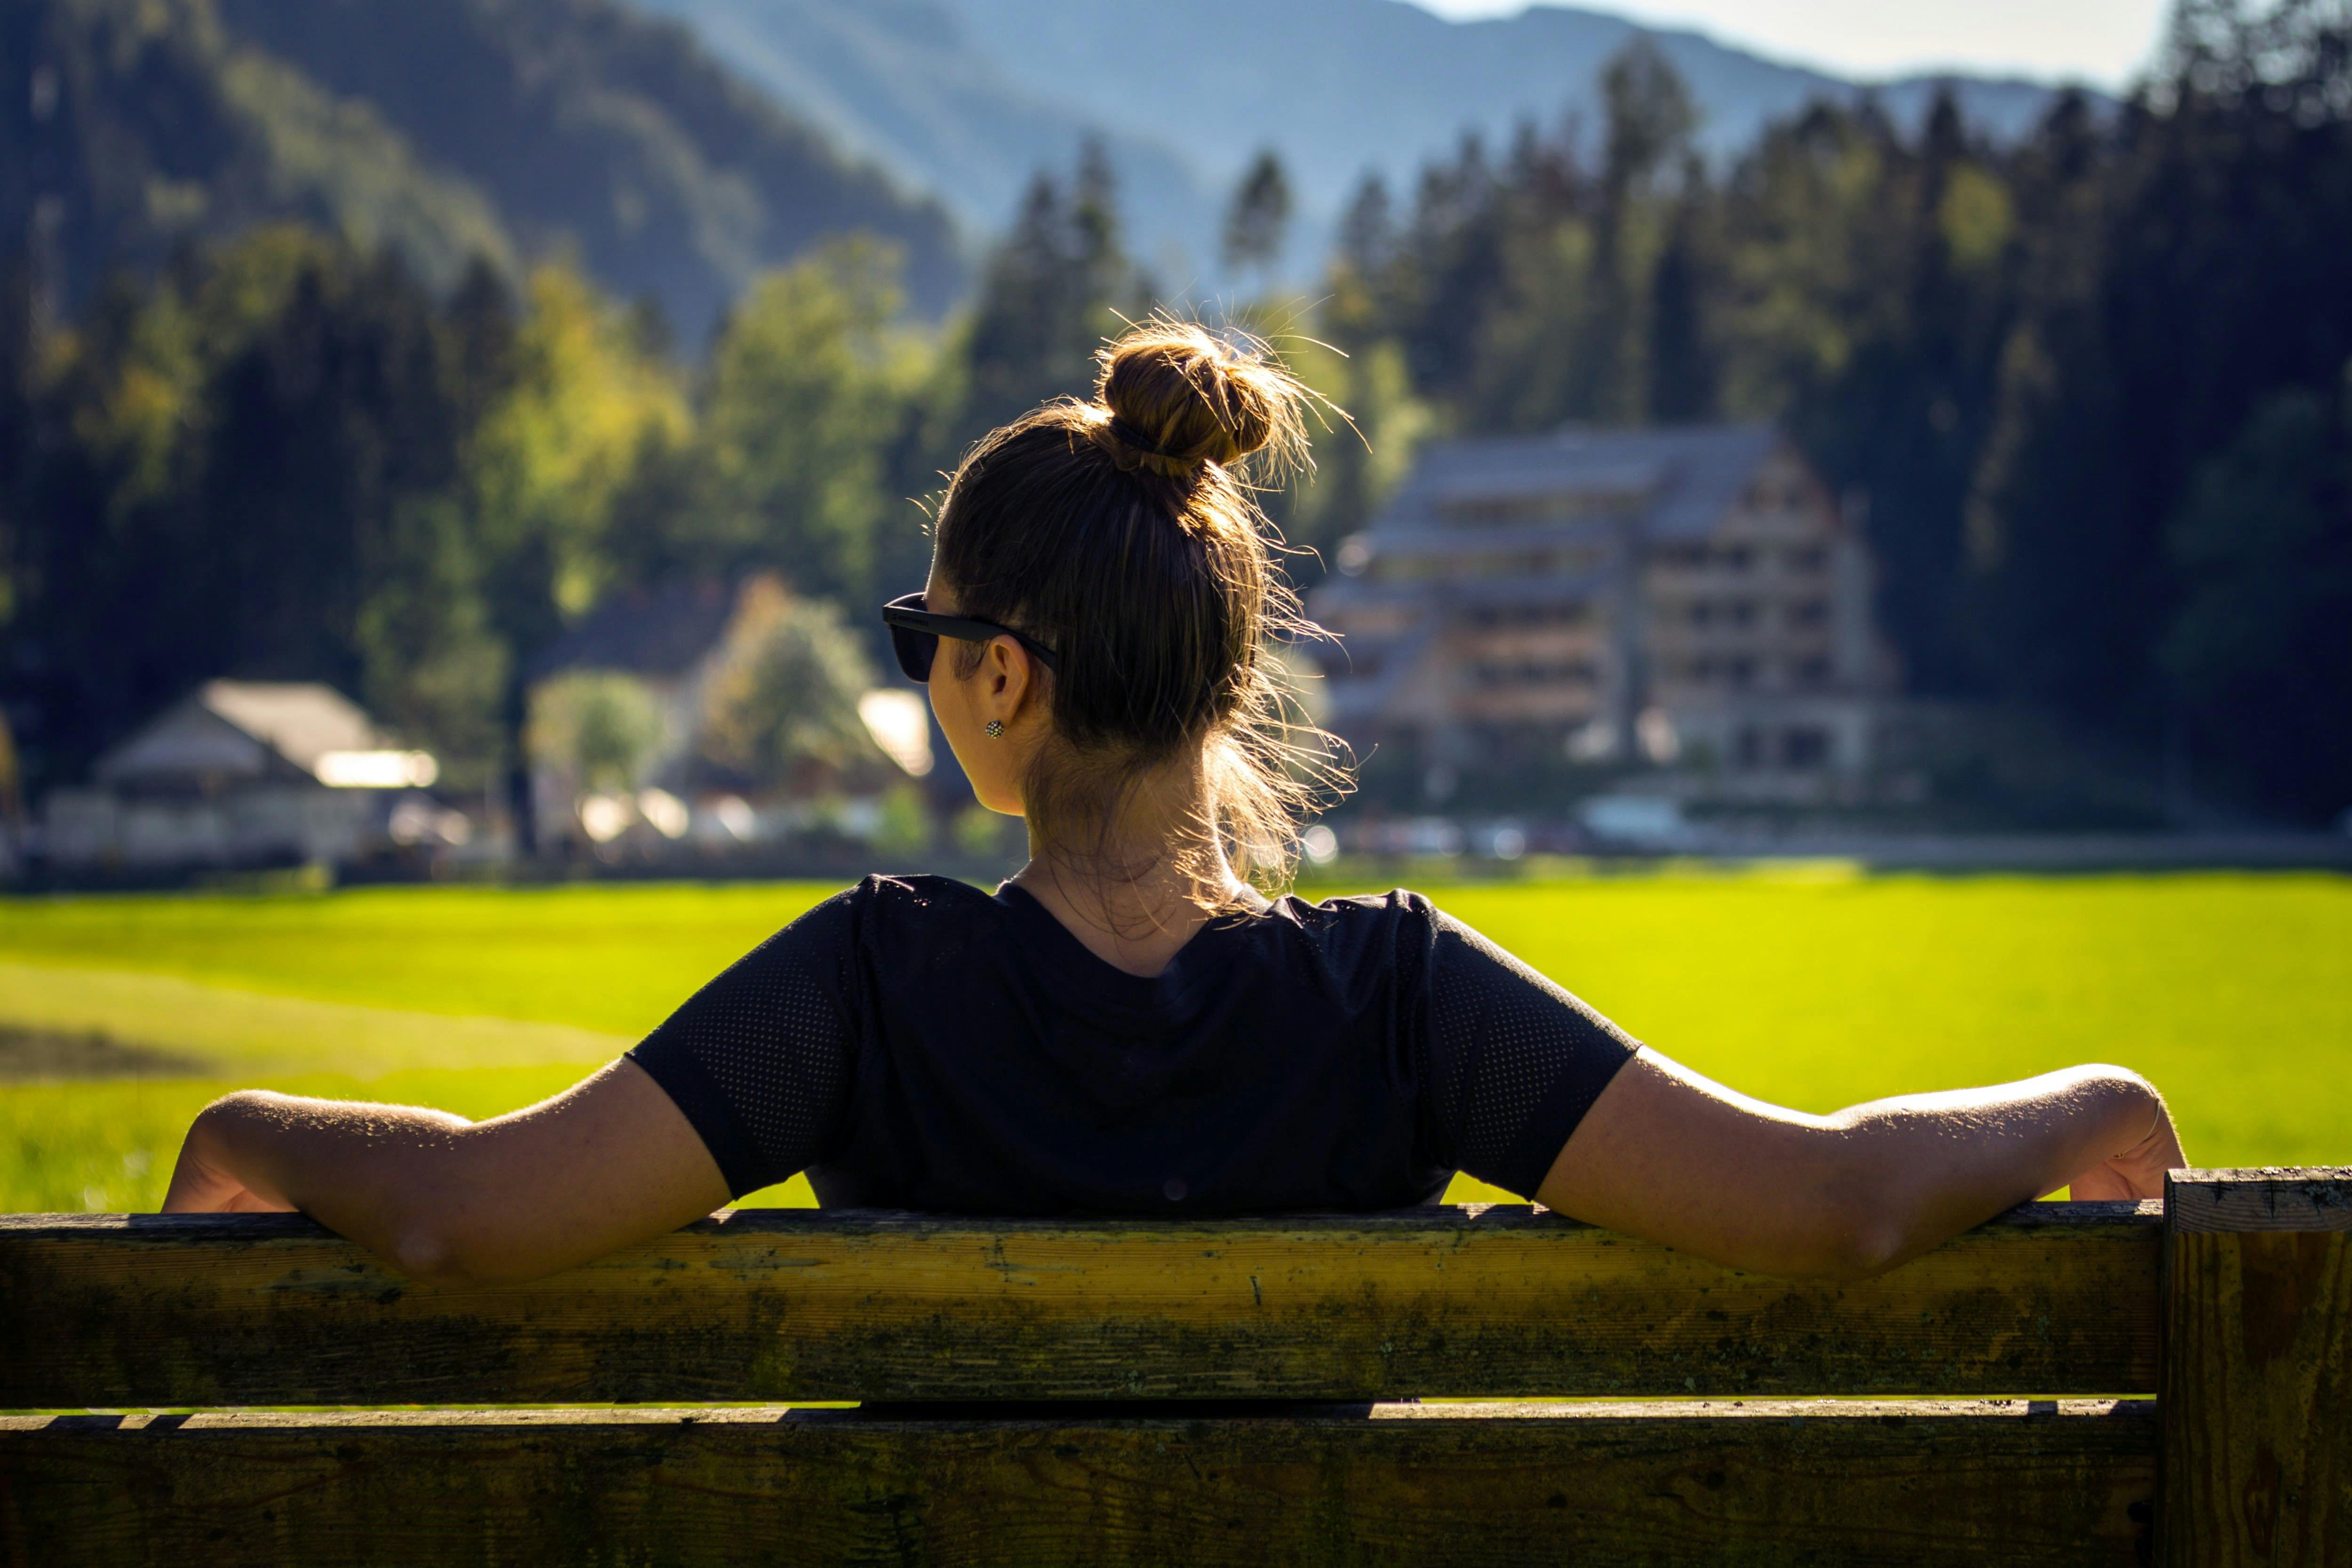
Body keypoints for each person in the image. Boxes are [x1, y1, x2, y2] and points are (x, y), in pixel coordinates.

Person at [163, 321, 2185, 1285]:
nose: (920, 671)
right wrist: (2083, 1100)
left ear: (1002, 677)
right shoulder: (1398, 1005)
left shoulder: (864, 991)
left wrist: (246, 1123)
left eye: (919, 635)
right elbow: (1828, 1204)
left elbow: (462, 1217)